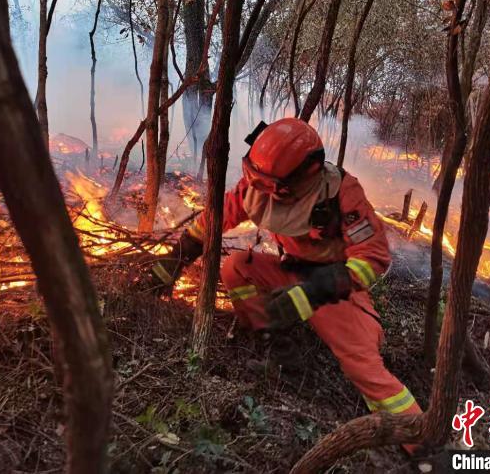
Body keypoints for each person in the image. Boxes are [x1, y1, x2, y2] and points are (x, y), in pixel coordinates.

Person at [149, 118, 422, 452]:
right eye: (258, 182)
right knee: (237, 267)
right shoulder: (260, 183)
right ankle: (276, 344)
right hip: (290, 271)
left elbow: (374, 259)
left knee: (362, 366)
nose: (264, 194)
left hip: (334, 287)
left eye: (273, 187)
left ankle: (423, 443)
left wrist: (312, 294)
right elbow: (216, 217)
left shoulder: (342, 196)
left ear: (306, 175)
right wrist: (174, 261)